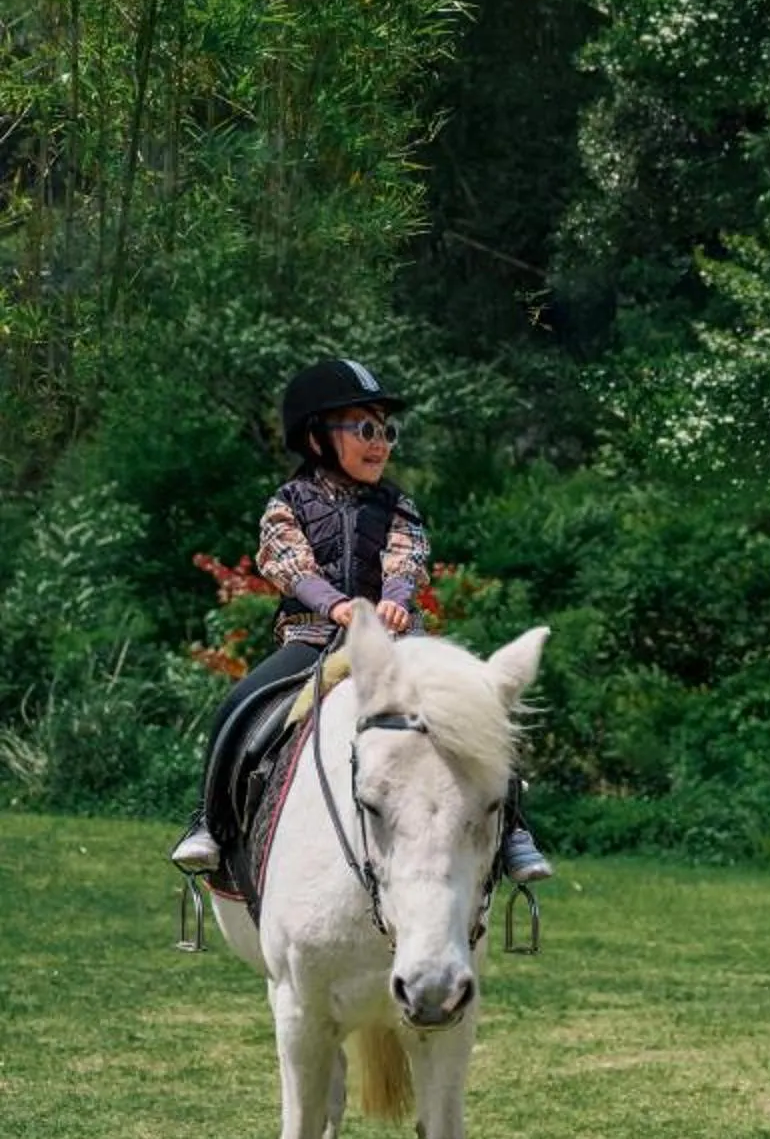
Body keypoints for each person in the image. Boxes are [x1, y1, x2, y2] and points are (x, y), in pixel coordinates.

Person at [170, 356, 550, 886]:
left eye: (387, 431)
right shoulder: (287, 504)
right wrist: (337, 606)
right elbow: (288, 563)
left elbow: (406, 558)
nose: (381, 444)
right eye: (365, 430)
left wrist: (393, 600)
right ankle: (211, 822)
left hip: (395, 642)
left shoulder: (398, 505)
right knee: (240, 705)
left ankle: (513, 831)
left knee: (475, 708)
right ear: (317, 437)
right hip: (314, 637)